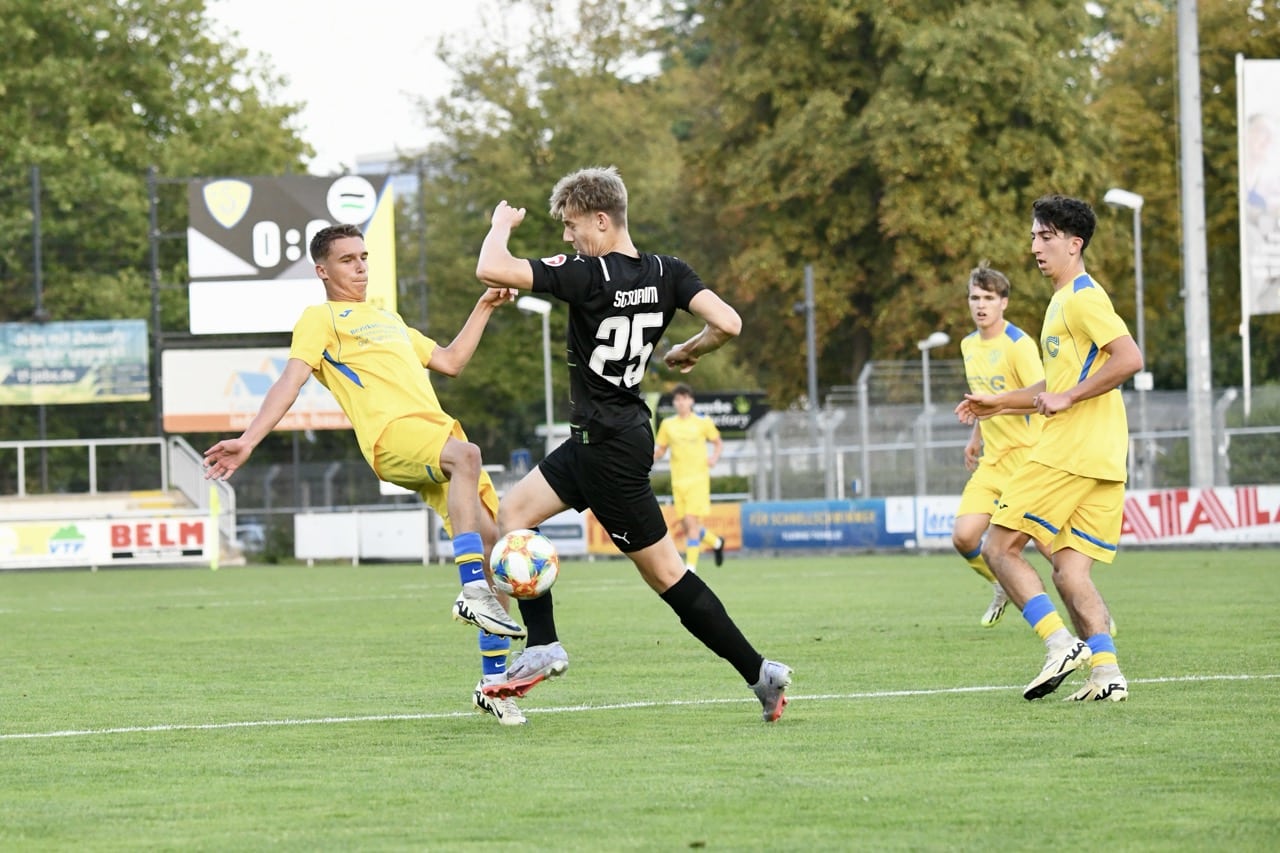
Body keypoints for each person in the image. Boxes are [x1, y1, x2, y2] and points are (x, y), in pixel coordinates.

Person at [473, 165, 792, 722]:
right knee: (515, 513)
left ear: (603, 219)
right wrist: (692, 349)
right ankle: (543, 642)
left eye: (573, 226)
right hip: (608, 437)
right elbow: (730, 323)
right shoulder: (669, 271)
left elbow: (489, 267)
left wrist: (500, 225)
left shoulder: (587, 274)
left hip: (608, 450)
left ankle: (759, 671)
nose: (568, 239)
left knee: (666, 573)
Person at [202, 223, 530, 726]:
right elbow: (290, 382)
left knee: (499, 557)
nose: (360, 267)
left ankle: (493, 685)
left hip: (435, 437)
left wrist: (484, 305)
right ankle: (470, 592)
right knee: (468, 457)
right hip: (392, 438)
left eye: (363, 257)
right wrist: (248, 440)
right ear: (322, 270)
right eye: (348, 259)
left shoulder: (388, 318)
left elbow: (450, 361)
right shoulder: (321, 319)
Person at [956, 194, 1142, 702]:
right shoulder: (1062, 301)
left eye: (1046, 236)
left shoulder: (1082, 297)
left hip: (1070, 452)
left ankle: (1059, 643)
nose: (1035, 245)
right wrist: (999, 402)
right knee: (1069, 570)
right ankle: (1107, 673)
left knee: (997, 546)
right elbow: (1051, 390)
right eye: (1034, 235)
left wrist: (1070, 396)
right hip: (1103, 459)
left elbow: (1129, 358)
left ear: (1074, 244)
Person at [952, 261, 1048, 627]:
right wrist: (975, 437)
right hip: (993, 461)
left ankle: (1094, 617)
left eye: (989, 298)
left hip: (1028, 460)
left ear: (1003, 302)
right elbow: (984, 399)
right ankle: (1001, 584)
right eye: (975, 297)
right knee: (964, 538)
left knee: (1049, 547)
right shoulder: (968, 345)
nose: (980, 305)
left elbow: (1041, 396)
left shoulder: (1019, 344)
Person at [653, 383, 726, 573]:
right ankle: (717, 542)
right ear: (674, 403)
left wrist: (714, 458)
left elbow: (718, 443)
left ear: (691, 401)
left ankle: (689, 571)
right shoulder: (668, 425)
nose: (681, 402)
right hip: (678, 482)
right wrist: (643, 459)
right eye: (677, 399)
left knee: (692, 527)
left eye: (684, 398)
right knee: (688, 527)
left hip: (698, 481)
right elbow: (660, 450)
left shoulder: (703, 422)